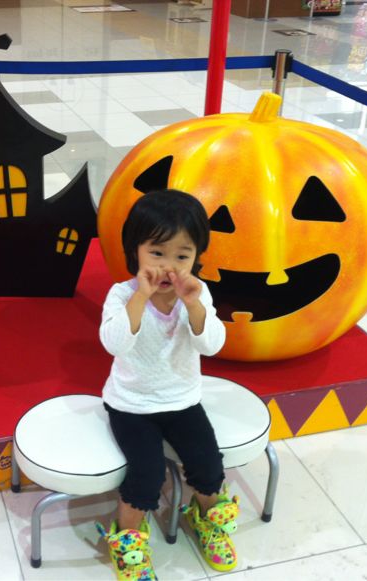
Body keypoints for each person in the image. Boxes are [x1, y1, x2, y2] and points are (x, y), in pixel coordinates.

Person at [95, 190, 239, 580]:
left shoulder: (197, 294)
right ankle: (128, 542)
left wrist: (193, 305)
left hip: (182, 401)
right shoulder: (122, 294)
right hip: (131, 404)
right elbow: (115, 343)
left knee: (208, 465)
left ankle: (207, 520)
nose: (168, 267)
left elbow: (212, 345)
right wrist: (140, 297)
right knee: (146, 475)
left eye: (182, 256)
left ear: (196, 257)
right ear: (136, 252)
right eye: (157, 253)